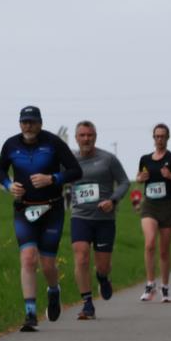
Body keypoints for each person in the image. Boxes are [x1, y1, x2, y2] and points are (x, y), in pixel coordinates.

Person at [0, 105, 82, 331]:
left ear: (40, 123)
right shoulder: (11, 144)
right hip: (24, 209)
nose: (28, 126)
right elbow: (0, 170)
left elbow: (75, 171)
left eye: (32, 122)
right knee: (28, 258)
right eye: (24, 122)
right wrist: (8, 185)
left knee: (47, 263)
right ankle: (30, 314)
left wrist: (52, 179)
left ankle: (53, 290)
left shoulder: (53, 143)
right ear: (19, 124)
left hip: (52, 209)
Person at [69, 120, 129, 319]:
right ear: (76, 138)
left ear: (95, 137)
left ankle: (102, 278)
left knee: (102, 266)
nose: (86, 139)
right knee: (81, 257)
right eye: (82, 135)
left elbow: (124, 182)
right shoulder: (69, 161)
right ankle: (87, 303)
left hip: (104, 219)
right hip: (80, 216)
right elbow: (56, 178)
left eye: (90, 135)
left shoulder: (107, 159)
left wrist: (113, 200)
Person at [136, 123, 171, 302]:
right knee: (149, 244)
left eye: (163, 136)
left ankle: (165, 287)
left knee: (164, 250)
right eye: (157, 136)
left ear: (168, 138)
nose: (160, 139)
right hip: (149, 205)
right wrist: (140, 178)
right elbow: (139, 177)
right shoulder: (145, 159)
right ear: (153, 138)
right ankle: (150, 285)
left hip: (168, 206)